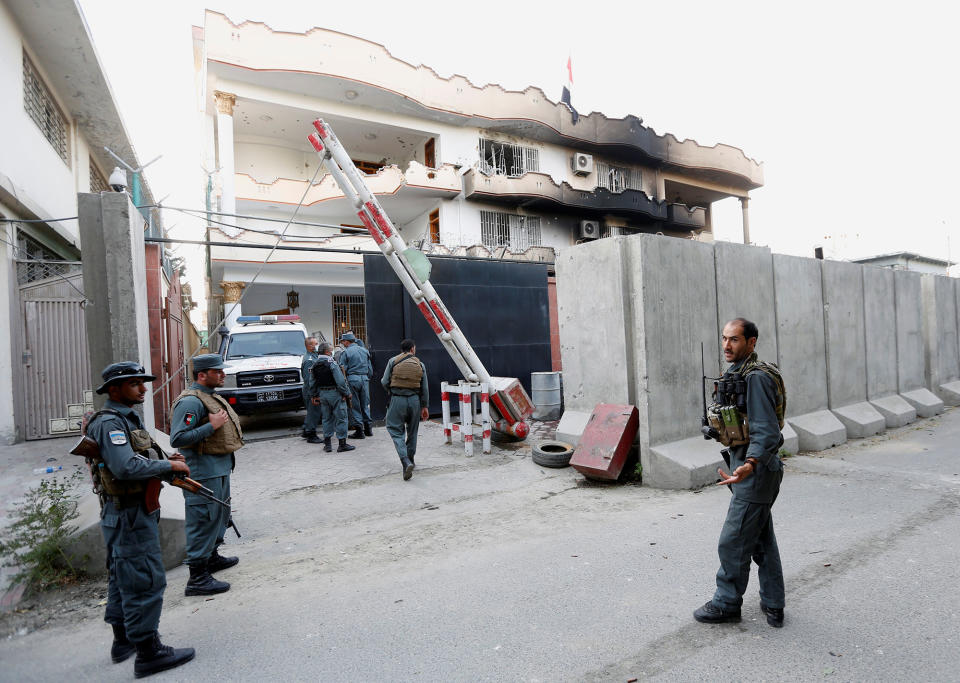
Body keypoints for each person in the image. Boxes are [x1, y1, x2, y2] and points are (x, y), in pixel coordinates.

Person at [84, 361, 195, 677]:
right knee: (144, 579)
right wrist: (167, 468)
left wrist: (164, 460)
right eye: (135, 383)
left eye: (143, 382)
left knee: (123, 577)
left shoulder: (124, 419)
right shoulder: (111, 423)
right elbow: (125, 468)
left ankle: (123, 642)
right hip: (129, 514)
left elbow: (135, 457)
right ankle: (149, 652)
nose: (144, 388)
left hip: (125, 512)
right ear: (115, 390)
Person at [694, 318, 787, 628]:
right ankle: (774, 603)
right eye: (724, 339)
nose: (726, 346)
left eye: (734, 340)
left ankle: (726, 603)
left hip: (755, 471)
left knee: (733, 540)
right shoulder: (737, 374)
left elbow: (767, 431)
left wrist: (749, 464)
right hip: (747, 467)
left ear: (752, 342)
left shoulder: (756, 378)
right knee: (761, 540)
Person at [170, 354, 244, 597]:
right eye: (217, 371)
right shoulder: (190, 402)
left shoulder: (210, 396)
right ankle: (197, 578)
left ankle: (211, 558)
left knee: (218, 516)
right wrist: (210, 426)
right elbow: (178, 438)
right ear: (202, 375)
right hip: (203, 472)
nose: (223, 375)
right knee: (202, 520)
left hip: (217, 468)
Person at [381, 339, 429, 481]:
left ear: (402, 350)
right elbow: (424, 388)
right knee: (412, 431)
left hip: (397, 399)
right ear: (413, 349)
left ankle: (405, 461)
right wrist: (424, 406)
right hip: (414, 401)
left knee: (395, 430)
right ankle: (411, 460)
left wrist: (392, 391)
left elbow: (384, 381)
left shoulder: (393, 361)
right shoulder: (420, 364)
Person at [311, 342, 355, 453]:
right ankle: (342, 444)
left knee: (326, 418)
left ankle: (328, 445)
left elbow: (312, 382)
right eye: (331, 350)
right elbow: (340, 381)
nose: (332, 352)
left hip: (322, 394)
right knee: (341, 417)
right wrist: (346, 393)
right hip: (335, 393)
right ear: (327, 352)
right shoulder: (332, 364)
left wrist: (314, 395)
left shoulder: (315, 364)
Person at [339, 332, 374, 439]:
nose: (342, 343)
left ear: (347, 341)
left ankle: (359, 431)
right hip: (364, 379)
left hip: (352, 379)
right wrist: (366, 378)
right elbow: (370, 370)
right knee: (365, 404)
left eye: (343, 341)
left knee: (354, 405)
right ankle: (368, 429)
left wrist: (343, 385)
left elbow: (342, 370)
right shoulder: (364, 351)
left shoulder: (346, 353)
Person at [301, 336, 323, 444]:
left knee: (311, 411)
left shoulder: (314, 356)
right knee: (314, 412)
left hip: (312, 389)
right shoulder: (309, 360)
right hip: (311, 390)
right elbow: (309, 379)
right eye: (315, 343)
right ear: (309, 346)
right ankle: (311, 434)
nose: (317, 345)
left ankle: (306, 429)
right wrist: (314, 394)